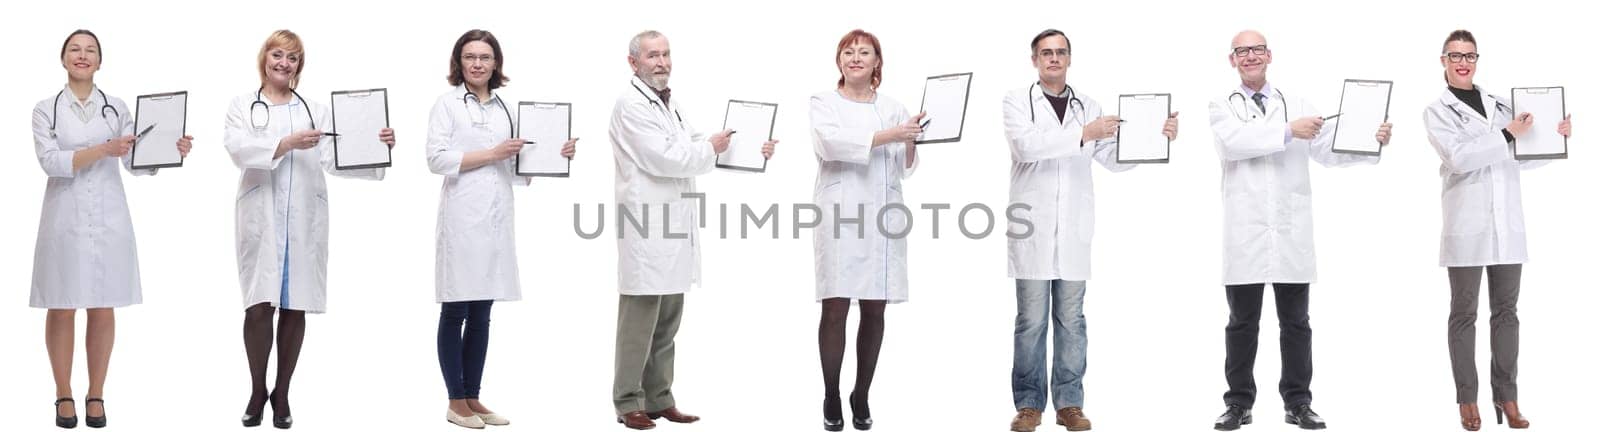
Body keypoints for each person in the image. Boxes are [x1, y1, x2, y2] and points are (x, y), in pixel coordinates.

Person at [1206, 30, 1392, 431]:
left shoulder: (1298, 103)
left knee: (1296, 323)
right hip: (1246, 232)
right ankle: (1238, 403)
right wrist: (1289, 130)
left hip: (1290, 230)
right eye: (1243, 51)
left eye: (1257, 49)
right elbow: (1234, 143)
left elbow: (1326, 151)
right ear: (1232, 60)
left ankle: (1298, 402)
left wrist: (1370, 142)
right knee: (1242, 322)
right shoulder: (1222, 105)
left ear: (1269, 55)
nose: (1251, 56)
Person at [1001, 29, 1178, 432]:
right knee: (1031, 320)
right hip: (1033, 227)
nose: (1053, 58)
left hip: (1075, 230)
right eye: (1046, 53)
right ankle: (1029, 405)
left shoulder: (1088, 106)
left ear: (1069, 58)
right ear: (1034, 60)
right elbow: (1026, 147)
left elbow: (1113, 159)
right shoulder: (1016, 101)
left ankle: (1069, 405)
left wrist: (1156, 137)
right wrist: (1085, 133)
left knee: (1072, 319)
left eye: (1060, 52)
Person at [222, 29, 396, 429]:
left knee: (295, 305)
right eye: (278, 55)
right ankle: (256, 389)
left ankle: (282, 393)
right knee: (258, 306)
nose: (284, 63)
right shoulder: (241, 105)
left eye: (293, 58)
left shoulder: (316, 109)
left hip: (303, 218)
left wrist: (378, 146)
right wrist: (285, 144)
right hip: (260, 217)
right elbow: (238, 150)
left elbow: (336, 158)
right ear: (264, 57)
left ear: (301, 65)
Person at [607, 29, 777, 430]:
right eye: (652, 56)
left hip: (673, 227)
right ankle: (628, 400)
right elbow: (665, 157)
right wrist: (711, 149)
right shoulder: (630, 105)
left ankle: (659, 397)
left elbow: (697, 142)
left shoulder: (670, 102)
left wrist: (751, 146)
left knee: (668, 319)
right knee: (640, 320)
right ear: (634, 63)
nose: (662, 62)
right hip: (646, 227)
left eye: (665, 54)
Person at [31, 29, 193, 430]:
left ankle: (96, 393)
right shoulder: (44, 109)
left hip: (108, 217)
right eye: (75, 50)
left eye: (90, 51)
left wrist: (169, 151)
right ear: (63, 58)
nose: (82, 56)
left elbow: (135, 160)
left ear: (100, 62)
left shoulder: (116, 108)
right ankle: (63, 392)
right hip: (63, 218)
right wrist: (103, 149)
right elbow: (52, 162)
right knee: (62, 302)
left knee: (103, 303)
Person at [424, 29, 577, 429]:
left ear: (496, 64)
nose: (477, 64)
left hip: (495, 218)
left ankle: (473, 395)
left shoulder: (508, 109)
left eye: (485, 57)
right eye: (470, 57)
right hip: (461, 217)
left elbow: (516, 167)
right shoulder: (447, 105)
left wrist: (553, 155)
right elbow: (436, 159)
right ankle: (454, 400)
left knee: (482, 312)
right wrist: (492, 153)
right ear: (459, 62)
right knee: (456, 307)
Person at [1422, 29, 1572, 431]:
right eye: (1455, 55)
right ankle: (1467, 401)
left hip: (1507, 225)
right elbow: (1458, 158)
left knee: (1507, 313)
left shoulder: (1502, 104)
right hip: (1467, 227)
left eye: (1469, 55)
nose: (1463, 62)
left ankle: (1507, 397)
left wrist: (1552, 141)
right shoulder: (1436, 111)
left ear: (1476, 59)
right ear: (1443, 61)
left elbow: (1521, 158)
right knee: (1464, 314)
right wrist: (1506, 134)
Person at [809, 29, 920, 432]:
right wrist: (894, 135)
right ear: (839, 60)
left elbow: (905, 166)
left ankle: (862, 393)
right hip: (840, 215)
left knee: (875, 306)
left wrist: (913, 140)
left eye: (865, 52)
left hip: (883, 216)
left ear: (877, 63)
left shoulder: (893, 107)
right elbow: (831, 145)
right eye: (848, 51)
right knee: (835, 305)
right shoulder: (823, 103)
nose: (855, 57)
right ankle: (832, 394)